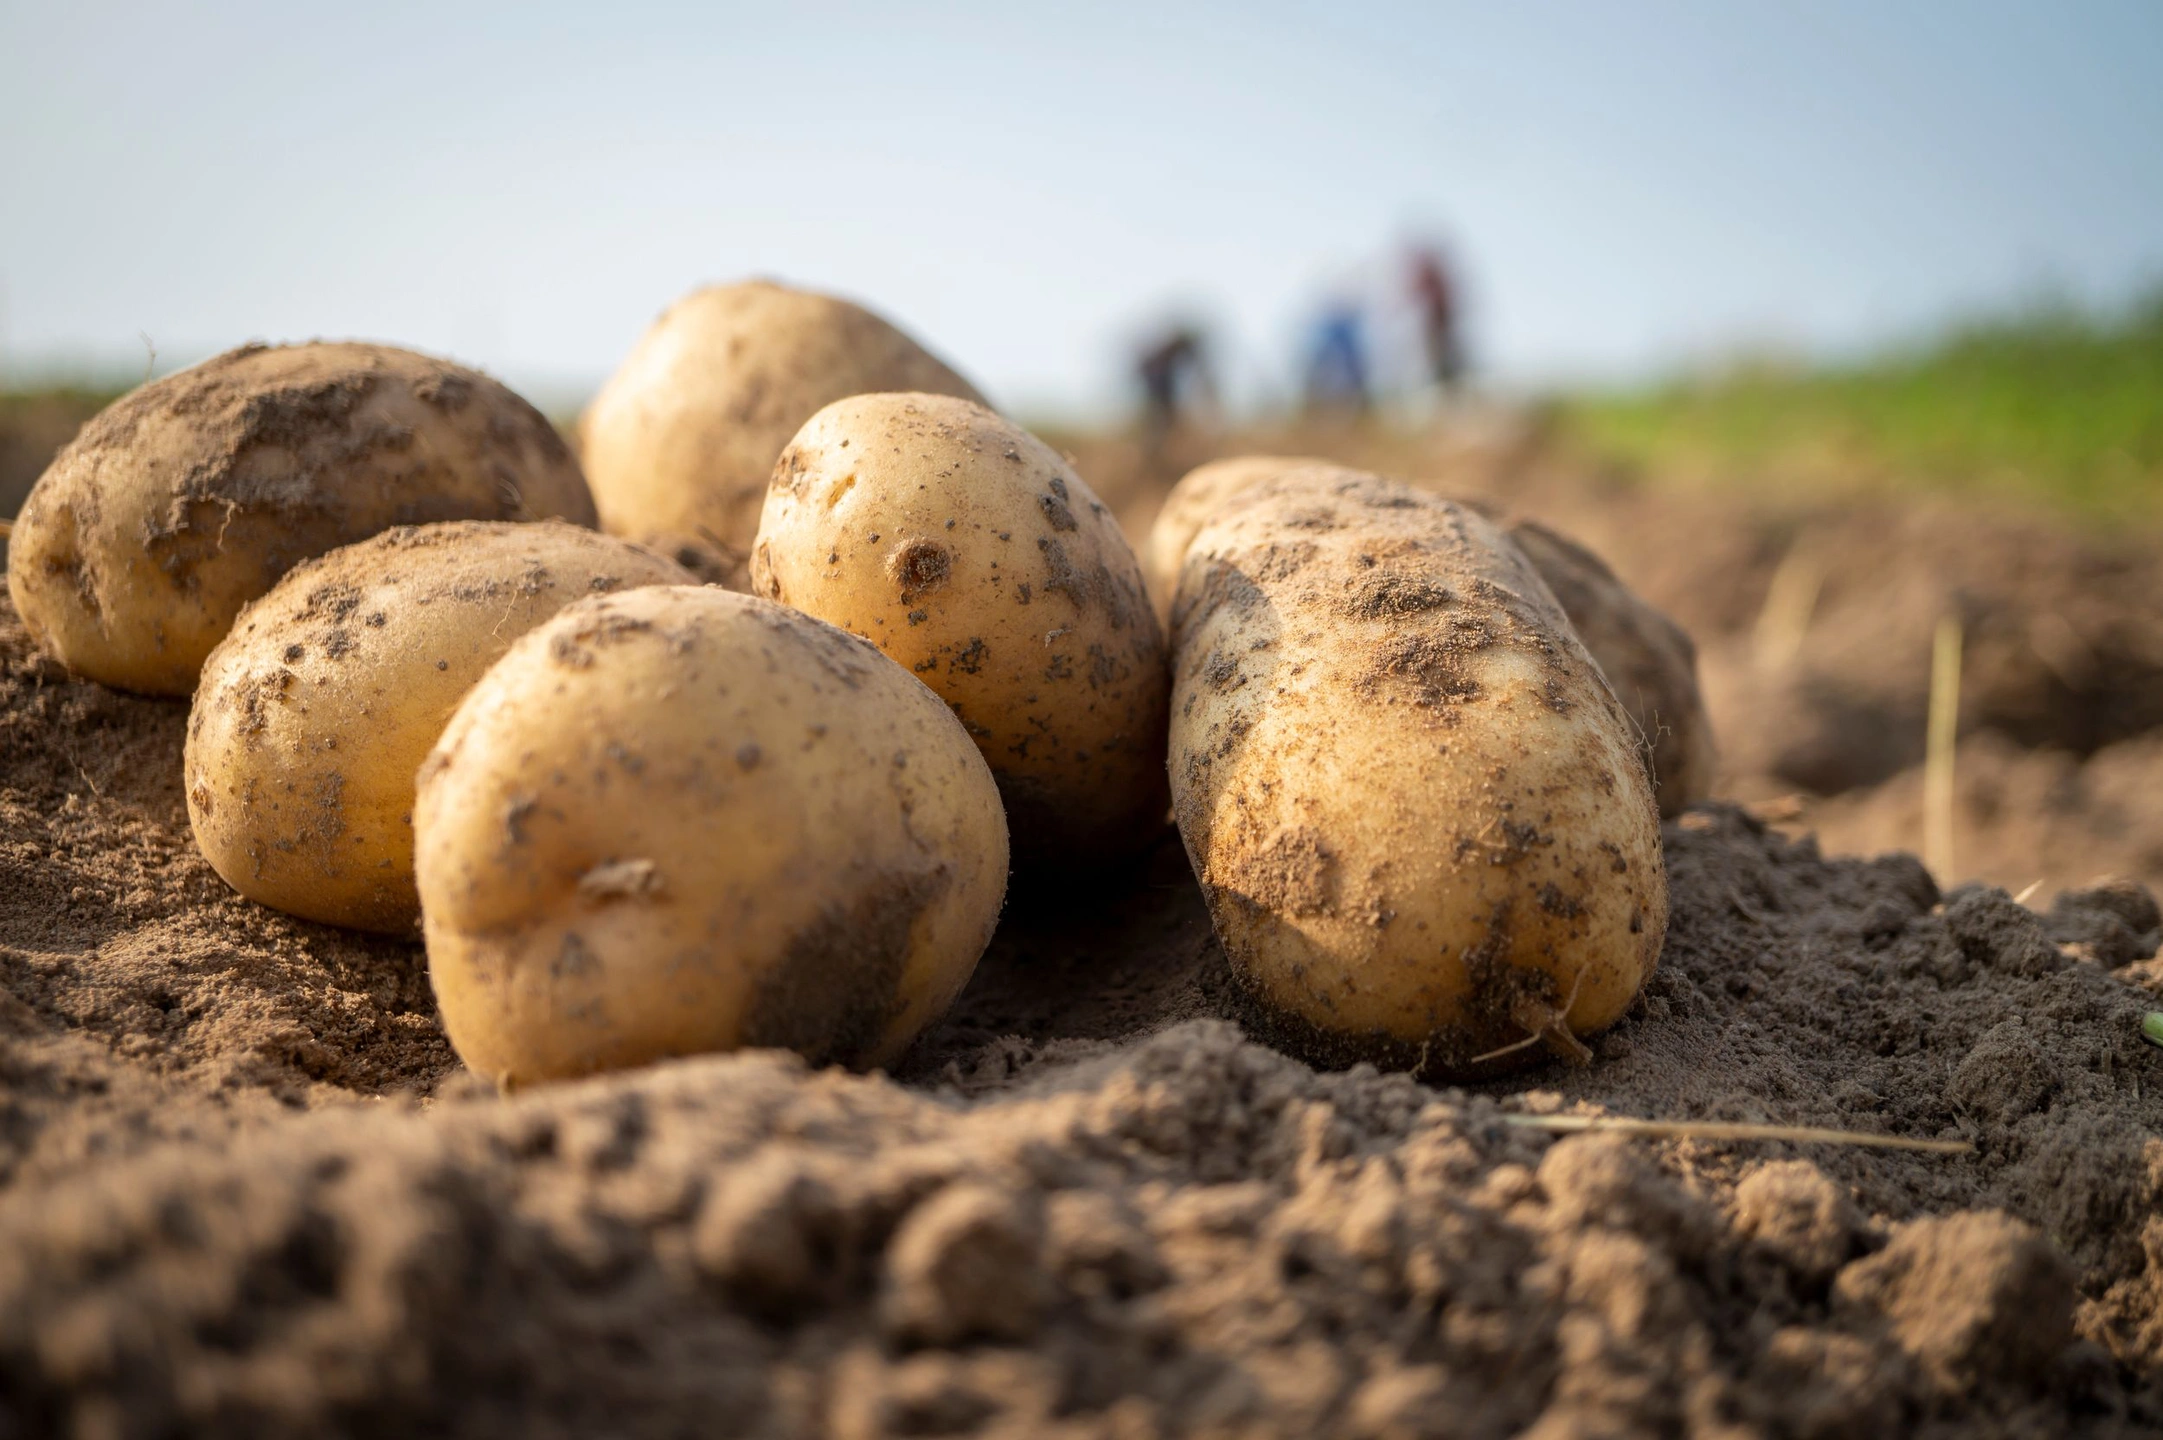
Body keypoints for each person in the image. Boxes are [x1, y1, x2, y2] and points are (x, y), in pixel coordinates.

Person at [1134, 323, 1213, 460]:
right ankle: (1157, 455)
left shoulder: (1178, 346)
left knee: (1164, 419)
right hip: (1156, 377)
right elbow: (1200, 374)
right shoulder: (1182, 347)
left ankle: (1161, 452)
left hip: (1158, 376)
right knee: (1162, 419)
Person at [1407, 244, 1466, 393]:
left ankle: (1450, 387)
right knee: (1437, 360)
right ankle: (1443, 387)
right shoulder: (1432, 279)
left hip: (1441, 327)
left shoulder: (1435, 279)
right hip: (1435, 328)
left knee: (1445, 359)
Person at [1302, 296, 1370, 414]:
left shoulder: (1344, 335)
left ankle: (1363, 408)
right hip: (1335, 358)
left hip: (1347, 368)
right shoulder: (1333, 333)